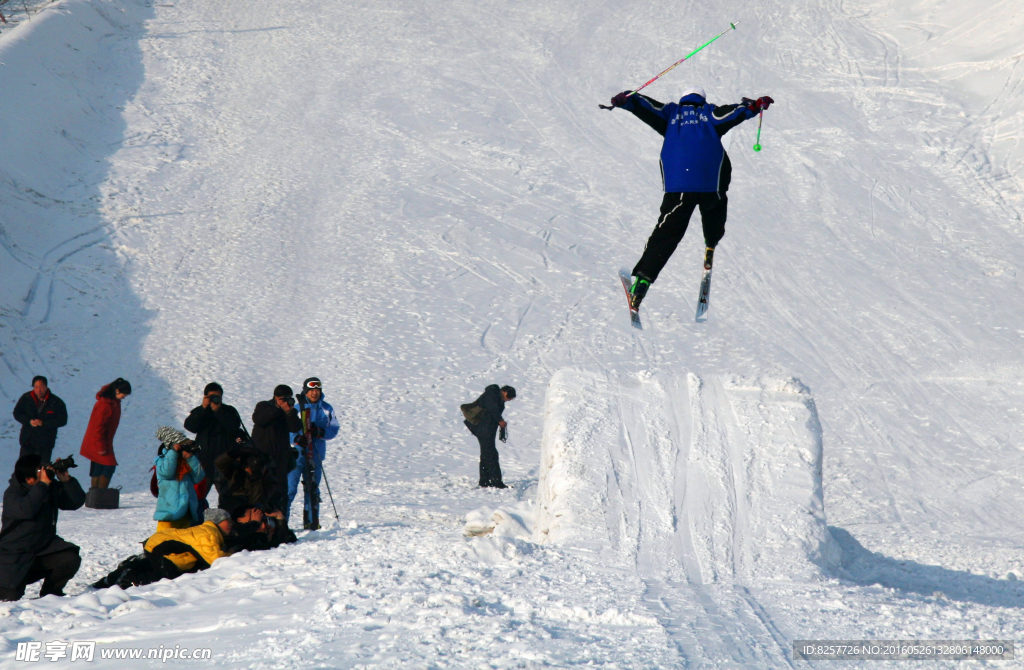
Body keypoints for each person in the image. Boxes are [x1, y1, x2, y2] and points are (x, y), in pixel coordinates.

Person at [607, 86, 774, 309]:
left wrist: (626, 99)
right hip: (709, 185)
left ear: (683, 98)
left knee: (667, 232)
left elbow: (646, 105)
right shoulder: (710, 113)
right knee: (717, 200)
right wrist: (752, 106)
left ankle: (643, 281)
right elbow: (732, 113)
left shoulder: (671, 114)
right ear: (701, 100)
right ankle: (711, 242)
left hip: (680, 187)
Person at [0, 454, 86, 600]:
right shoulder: (13, 493)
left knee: (69, 559)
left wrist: (66, 481)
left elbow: (74, 502)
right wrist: (43, 485)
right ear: (30, 479)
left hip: (42, 549)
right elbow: (26, 509)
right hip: (15, 556)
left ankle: (51, 596)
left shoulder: (47, 487)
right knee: (10, 597)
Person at [93, 508, 234, 590]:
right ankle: (131, 579)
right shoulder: (208, 532)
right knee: (165, 577)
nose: (231, 524)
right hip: (159, 546)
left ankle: (125, 571)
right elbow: (216, 559)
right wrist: (235, 557)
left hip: (160, 544)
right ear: (218, 521)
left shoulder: (209, 532)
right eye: (228, 520)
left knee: (166, 571)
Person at [288, 377, 339, 529]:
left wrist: (320, 431)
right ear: (305, 391)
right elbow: (285, 430)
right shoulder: (297, 409)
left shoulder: (327, 408)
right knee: (290, 488)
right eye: (311, 390)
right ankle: (282, 522)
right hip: (297, 455)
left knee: (312, 489)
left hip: (315, 454)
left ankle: (311, 522)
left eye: (317, 390)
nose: (315, 393)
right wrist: (296, 438)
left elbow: (334, 428)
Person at [183, 383, 246, 498]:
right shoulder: (200, 411)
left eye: (217, 397)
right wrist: (203, 409)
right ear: (205, 397)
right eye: (211, 397)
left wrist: (219, 411)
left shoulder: (229, 411)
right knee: (197, 498)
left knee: (228, 498)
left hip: (224, 462)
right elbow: (190, 426)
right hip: (204, 461)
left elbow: (234, 426)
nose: (215, 399)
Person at [251, 385, 302, 517]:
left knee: (281, 494)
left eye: (288, 398)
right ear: (275, 397)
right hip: (262, 459)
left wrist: (289, 412)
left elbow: (295, 427)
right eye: (282, 399)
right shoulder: (264, 406)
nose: (285, 401)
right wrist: (276, 408)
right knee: (261, 494)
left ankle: (281, 525)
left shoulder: (290, 411)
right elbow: (259, 420)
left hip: (280, 459)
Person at [79, 378, 131, 490]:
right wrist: (101, 446)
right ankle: (101, 494)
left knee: (98, 466)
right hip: (98, 441)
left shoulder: (112, 402)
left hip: (101, 440)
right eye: (124, 394)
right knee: (109, 466)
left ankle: (95, 496)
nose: (124, 397)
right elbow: (98, 427)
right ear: (117, 391)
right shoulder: (105, 405)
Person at [462, 384, 516, 488]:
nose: (508, 400)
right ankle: (496, 482)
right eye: (509, 397)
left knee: (486, 454)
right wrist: (500, 420)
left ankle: (484, 481)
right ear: (504, 392)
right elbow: (492, 409)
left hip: (487, 430)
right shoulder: (492, 394)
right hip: (482, 428)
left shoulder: (497, 398)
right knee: (491, 454)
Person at [153, 427, 205, 530]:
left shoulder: (186, 462)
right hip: (169, 513)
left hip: (187, 511)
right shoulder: (162, 459)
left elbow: (198, 477)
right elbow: (167, 473)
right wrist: (173, 452)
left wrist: (190, 458)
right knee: (165, 541)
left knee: (183, 543)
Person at [12, 376, 68, 463]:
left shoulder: (56, 402)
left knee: (42, 472)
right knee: (24, 470)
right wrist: (29, 421)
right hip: (28, 441)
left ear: (46, 387)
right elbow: (17, 413)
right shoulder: (26, 398)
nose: (39, 390)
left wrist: (44, 423)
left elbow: (62, 420)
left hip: (45, 443)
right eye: (36, 387)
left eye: (41, 387)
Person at [214, 445, 284, 513]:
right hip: (231, 509)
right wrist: (236, 453)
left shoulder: (269, 481)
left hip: (251, 516)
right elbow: (219, 463)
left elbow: (256, 504)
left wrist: (255, 478)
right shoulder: (237, 472)